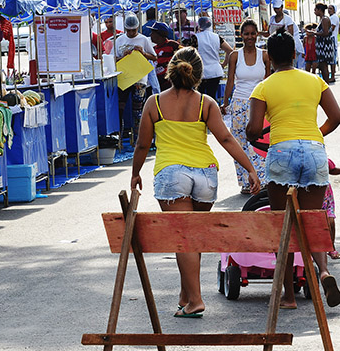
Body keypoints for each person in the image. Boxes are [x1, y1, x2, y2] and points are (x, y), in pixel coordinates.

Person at [131, 47, 261, 318]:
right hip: (205, 175)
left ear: (170, 72)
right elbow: (226, 139)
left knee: (184, 239)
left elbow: (143, 144)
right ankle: (185, 296)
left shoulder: (154, 103)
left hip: (172, 175)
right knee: (192, 239)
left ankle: (196, 300)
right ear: (198, 75)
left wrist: (135, 173)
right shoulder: (206, 103)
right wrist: (250, 168)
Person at [246, 27, 340, 309]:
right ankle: (322, 272)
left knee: (283, 225)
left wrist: (261, 134)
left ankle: (288, 296)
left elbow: (252, 129)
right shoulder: (315, 81)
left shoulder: (263, 87)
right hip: (313, 151)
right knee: (313, 220)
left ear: (270, 58)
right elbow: (336, 116)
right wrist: (314, 135)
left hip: (282, 152)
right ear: (297, 54)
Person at [222, 19, 271, 194]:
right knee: (239, 143)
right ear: (241, 35)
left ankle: (261, 179)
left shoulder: (264, 55)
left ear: (257, 34)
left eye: (252, 33)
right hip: (239, 103)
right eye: (246, 34)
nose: (250, 37)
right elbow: (230, 81)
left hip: (258, 104)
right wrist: (225, 102)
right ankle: (245, 181)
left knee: (259, 143)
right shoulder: (235, 55)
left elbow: (268, 82)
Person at [114, 14, 157, 141]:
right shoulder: (119, 40)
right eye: (129, 30)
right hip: (124, 78)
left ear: (138, 28)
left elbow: (154, 57)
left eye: (134, 30)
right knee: (120, 108)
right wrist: (124, 57)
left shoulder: (144, 39)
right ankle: (120, 137)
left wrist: (143, 53)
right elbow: (113, 59)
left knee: (137, 110)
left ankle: (139, 138)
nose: (132, 33)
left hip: (139, 79)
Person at [192, 16, 233, 101]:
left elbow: (188, 53)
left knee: (200, 98)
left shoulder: (195, 38)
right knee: (212, 97)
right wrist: (224, 64)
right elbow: (230, 51)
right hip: (215, 71)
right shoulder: (217, 37)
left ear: (199, 26)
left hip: (201, 72)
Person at [149, 21, 180, 92]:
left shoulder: (173, 45)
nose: (150, 35)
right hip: (158, 85)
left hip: (171, 83)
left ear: (159, 34)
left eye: (153, 33)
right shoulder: (153, 49)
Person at [310, 2, 335, 84]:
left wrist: (314, 33)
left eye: (315, 10)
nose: (314, 11)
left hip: (325, 45)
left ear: (320, 10)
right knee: (322, 65)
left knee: (323, 65)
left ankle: (326, 84)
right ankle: (326, 83)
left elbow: (325, 33)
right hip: (322, 45)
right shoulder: (322, 19)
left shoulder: (324, 19)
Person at [328, 4, 339, 82]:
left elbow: (331, 28)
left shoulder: (334, 17)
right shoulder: (331, 17)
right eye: (328, 8)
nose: (329, 10)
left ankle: (333, 76)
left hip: (332, 39)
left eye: (331, 8)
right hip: (331, 39)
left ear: (334, 10)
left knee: (332, 59)